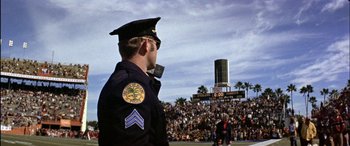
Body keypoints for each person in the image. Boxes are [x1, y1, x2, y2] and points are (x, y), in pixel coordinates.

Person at [97, 17, 169, 146]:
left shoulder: (126, 79)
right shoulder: (132, 85)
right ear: (146, 44)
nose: (157, 49)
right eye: (156, 44)